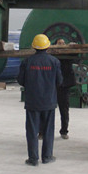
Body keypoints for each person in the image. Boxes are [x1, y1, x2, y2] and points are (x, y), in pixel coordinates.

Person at [17, 34, 62, 166]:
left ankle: (33, 159)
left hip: (32, 102)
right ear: (47, 46)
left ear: (34, 46)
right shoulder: (54, 62)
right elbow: (59, 81)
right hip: (49, 101)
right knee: (48, 130)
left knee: (32, 131)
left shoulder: (27, 62)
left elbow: (20, 80)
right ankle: (47, 157)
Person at [55, 39, 77, 139]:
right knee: (46, 110)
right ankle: (43, 131)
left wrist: (74, 47)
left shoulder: (69, 54)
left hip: (64, 85)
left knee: (64, 110)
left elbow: (77, 58)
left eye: (63, 43)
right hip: (53, 85)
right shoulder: (51, 55)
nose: (62, 45)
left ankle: (64, 131)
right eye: (59, 43)